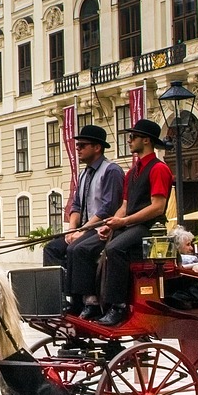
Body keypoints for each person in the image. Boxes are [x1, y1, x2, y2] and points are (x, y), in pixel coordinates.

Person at [94, 119, 175, 327]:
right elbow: (124, 205)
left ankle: (118, 306)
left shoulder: (159, 169)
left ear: (146, 140)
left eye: (133, 137)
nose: (129, 141)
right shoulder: (132, 172)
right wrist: (111, 223)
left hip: (150, 228)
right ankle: (95, 302)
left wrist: (124, 220)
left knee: (115, 249)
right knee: (99, 249)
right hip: (131, 225)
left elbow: (157, 207)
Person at [44, 124, 125, 316]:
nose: (77, 149)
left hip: (103, 229)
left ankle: (90, 302)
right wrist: (72, 230)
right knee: (52, 248)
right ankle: (64, 296)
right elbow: (76, 205)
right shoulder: (83, 173)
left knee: (77, 249)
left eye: (82, 145)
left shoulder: (111, 171)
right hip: (84, 228)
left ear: (97, 147)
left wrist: (82, 231)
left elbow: (108, 208)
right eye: (77, 145)